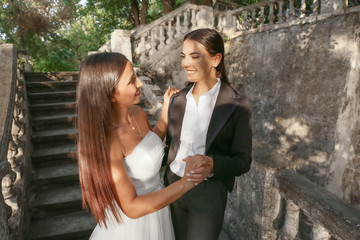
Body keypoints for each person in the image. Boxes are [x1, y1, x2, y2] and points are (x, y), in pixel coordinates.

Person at [76, 52, 208, 240]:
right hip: (135, 227)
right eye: (131, 81)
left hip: (159, 213)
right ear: (112, 93)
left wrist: (165, 109)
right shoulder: (110, 142)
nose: (140, 83)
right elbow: (132, 207)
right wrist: (186, 182)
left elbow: (152, 139)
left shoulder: (137, 112)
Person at [164, 28, 253, 240]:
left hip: (208, 193)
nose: (186, 63)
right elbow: (169, 146)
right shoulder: (177, 100)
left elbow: (243, 161)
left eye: (195, 56)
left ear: (215, 59)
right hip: (172, 186)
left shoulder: (238, 104)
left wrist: (211, 163)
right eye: (183, 56)